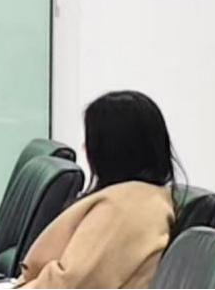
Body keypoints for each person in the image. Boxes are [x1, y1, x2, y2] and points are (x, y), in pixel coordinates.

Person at [15, 90, 178, 289]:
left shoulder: (121, 210)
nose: (85, 147)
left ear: (110, 149)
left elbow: (69, 283)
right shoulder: (148, 198)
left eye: (91, 140)